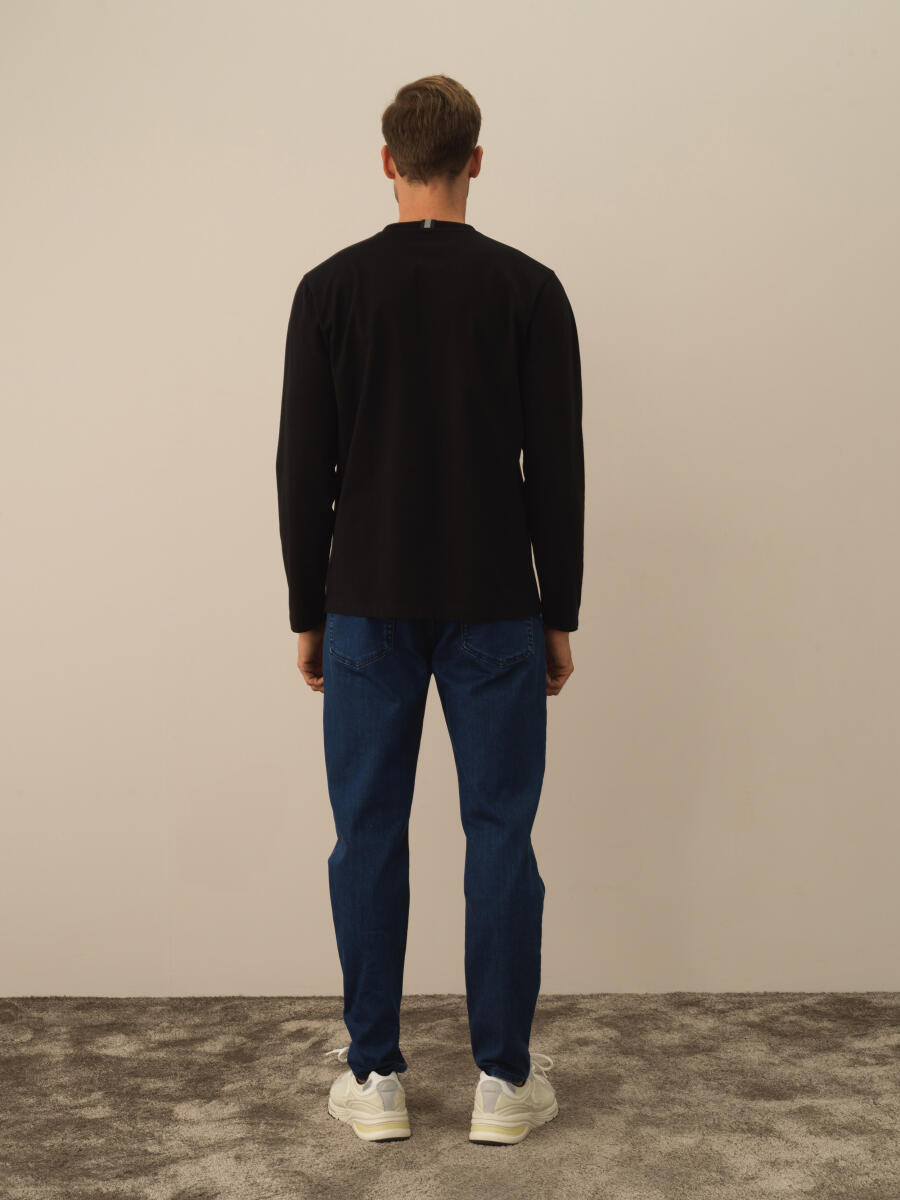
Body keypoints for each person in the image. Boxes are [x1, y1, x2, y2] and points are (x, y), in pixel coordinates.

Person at [275, 74, 584, 1145]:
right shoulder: (528, 289)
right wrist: (560, 609)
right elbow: (557, 465)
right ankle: (503, 1082)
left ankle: (375, 1078)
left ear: (387, 163)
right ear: (476, 161)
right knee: (500, 831)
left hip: (365, 602)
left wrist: (307, 609)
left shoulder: (329, 290)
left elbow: (302, 466)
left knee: (366, 834)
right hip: (496, 603)